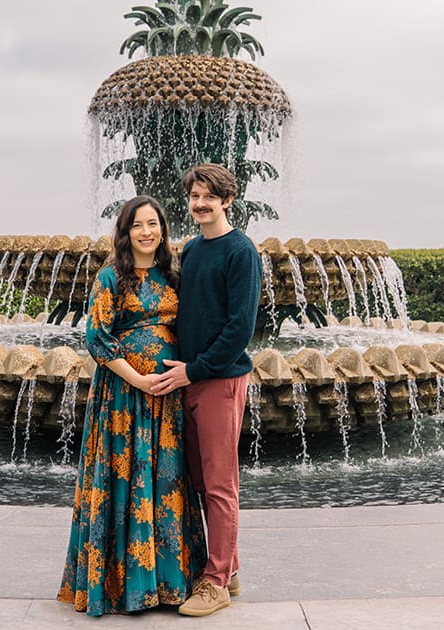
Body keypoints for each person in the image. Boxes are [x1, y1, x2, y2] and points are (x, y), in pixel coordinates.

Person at [58, 195, 207, 615]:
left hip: (169, 397)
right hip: (124, 397)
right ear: (125, 232)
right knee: (126, 478)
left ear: (163, 229)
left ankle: (170, 584)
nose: (147, 232)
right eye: (138, 225)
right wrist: (139, 379)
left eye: (154, 224)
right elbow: (97, 338)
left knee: (166, 480)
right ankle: (124, 587)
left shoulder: (171, 274)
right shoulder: (110, 277)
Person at [152, 163, 261, 618]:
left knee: (220, 484)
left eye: (208, 198)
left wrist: (194, 371)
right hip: (190, 379)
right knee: (199, 479)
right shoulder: (193, 250)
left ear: (227, 201)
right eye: (194, 197)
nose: (199, 204)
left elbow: (240, 328)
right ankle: (227, 568)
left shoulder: (241, 251)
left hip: (217, 381)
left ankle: (214, 583)